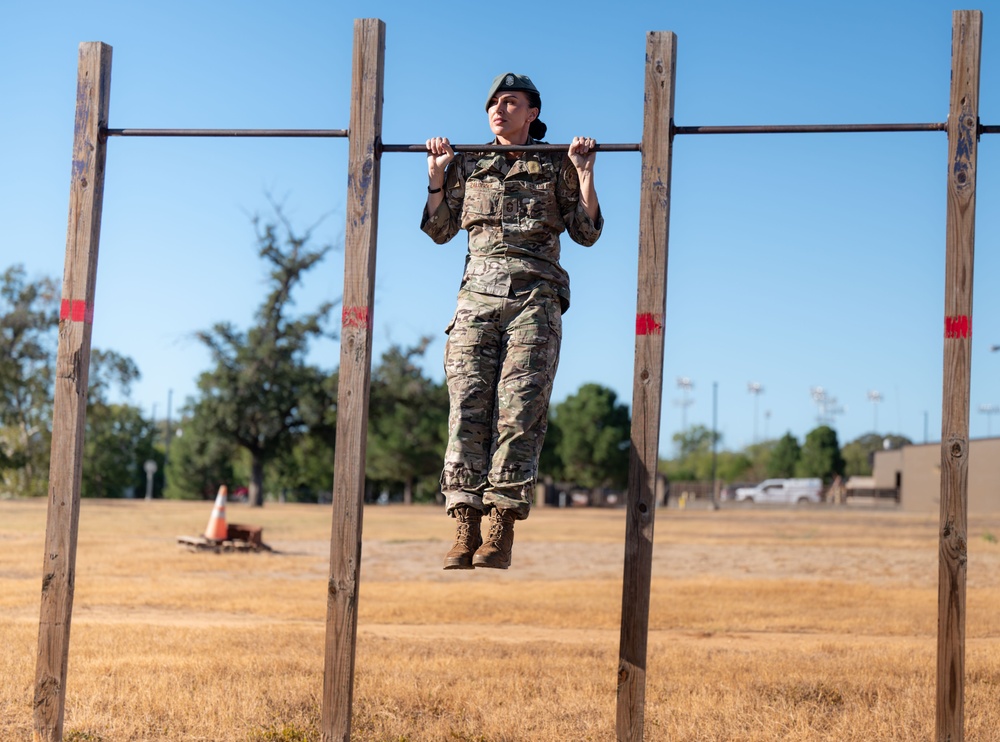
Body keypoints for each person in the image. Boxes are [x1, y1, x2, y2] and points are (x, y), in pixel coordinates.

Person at [421, 72, 604, 570]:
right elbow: (438, 230)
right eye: (493, 105)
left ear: (533, 113)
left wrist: (584, 173)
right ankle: (465, 522)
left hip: (534, 299)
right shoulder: (469, 163)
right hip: (475, 301)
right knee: (467, 407)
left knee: (519, 410)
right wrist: (437, 175)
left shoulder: (555, 162)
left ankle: (500, 525)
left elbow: (586, 233)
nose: (499, 110)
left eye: (511, 102)